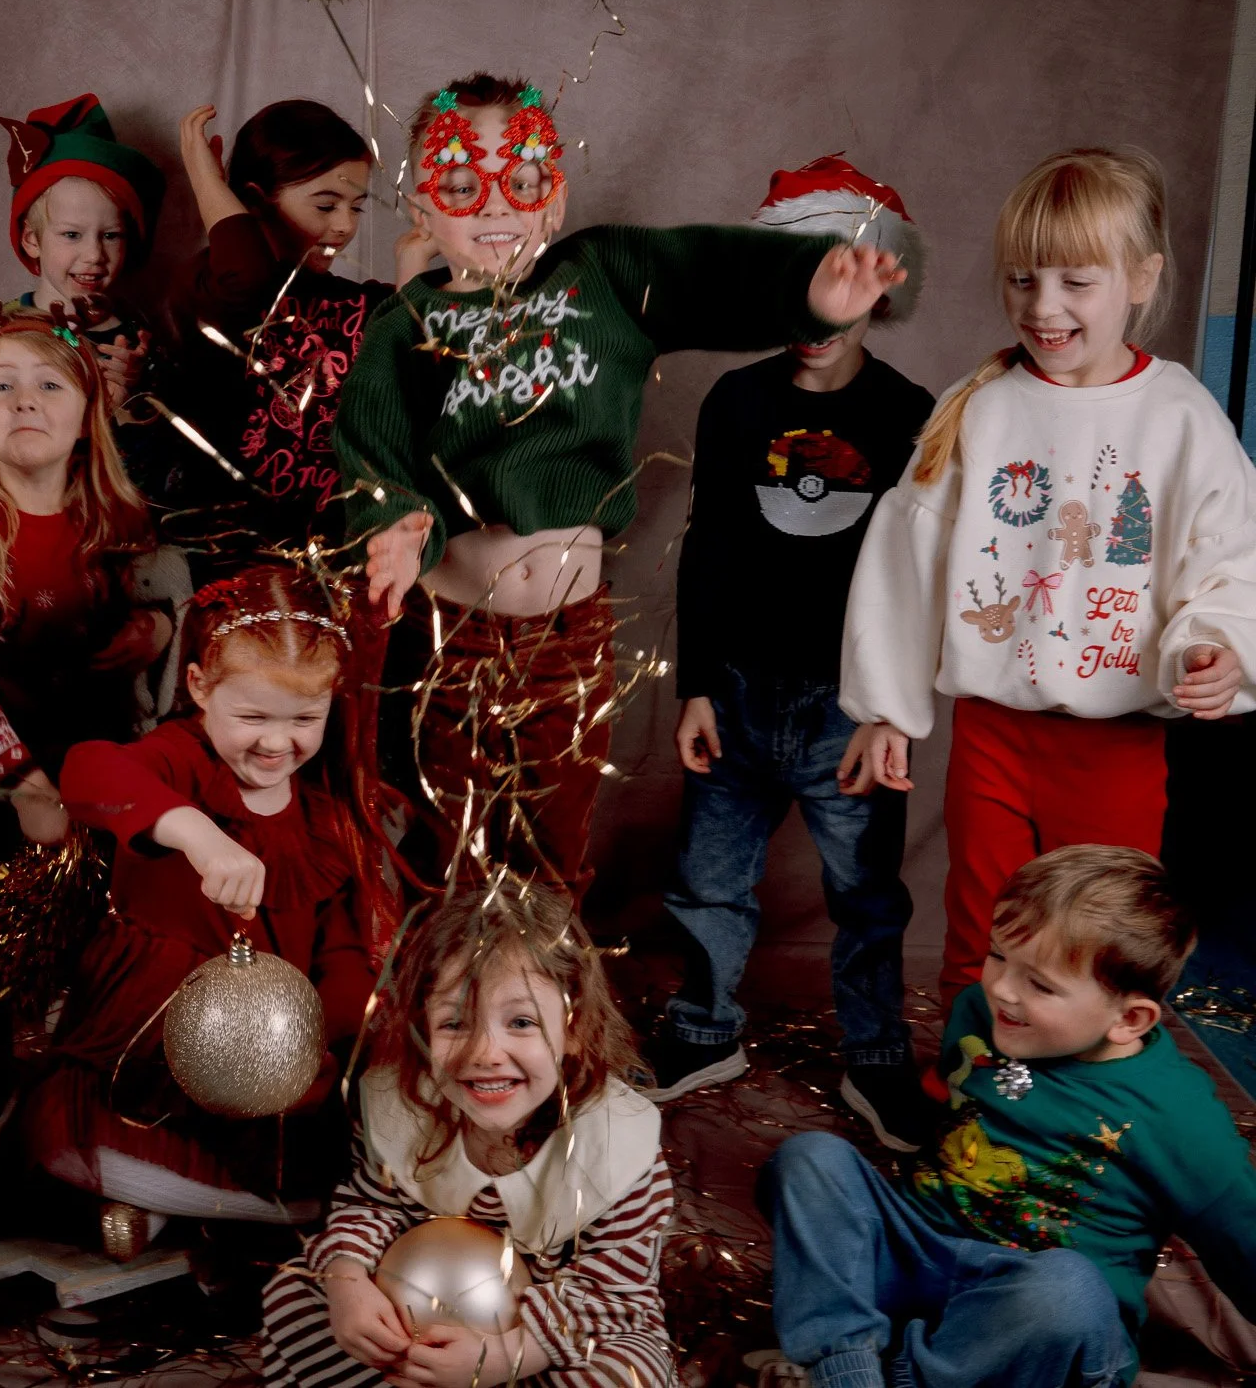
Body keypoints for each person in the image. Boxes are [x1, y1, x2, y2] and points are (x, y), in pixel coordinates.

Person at [336, 72, 904, 898]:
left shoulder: (598, 274)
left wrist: (810, 290)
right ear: (423, 210)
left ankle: (541, 1013)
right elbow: (370, 448)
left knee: (549, 847)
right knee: (446, 849)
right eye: (461, 186)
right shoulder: (406, 325)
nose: (494, 205)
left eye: (520, 182)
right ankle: (446, 1016)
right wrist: (392, 522)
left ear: (553, 200)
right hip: (449, 635)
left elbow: (703, 271)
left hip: (565, 640)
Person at [838, 147, 1256, 1001]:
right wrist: (888, 705)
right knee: (983, 926)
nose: (1045, 306)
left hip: (1116, 745)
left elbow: (1228, 555)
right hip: (993, 733)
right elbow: (907, 557)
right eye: (1023, 279)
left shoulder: (1180, 416)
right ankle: (970, 1101)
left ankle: (1075, 1117)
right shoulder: (983, 404)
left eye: (1076, 281)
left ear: (1140, 278)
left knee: (1097, 940)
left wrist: (1220, 646)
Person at [648, 158, 935, 1148]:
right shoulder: (733, 400)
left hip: (845, 705)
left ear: (879, 283)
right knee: (706, 874)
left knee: (863, 891)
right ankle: (701, 1025)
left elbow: (922, 571)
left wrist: (893, 705)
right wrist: (691, 687)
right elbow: (707, 545)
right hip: (734, 690)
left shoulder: (910, 412)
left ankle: (876, 1058)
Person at [759, 845, 1256, 1388]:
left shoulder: (1180, 1118)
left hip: (1039, 1319)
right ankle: (847, 1369)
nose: (1000, 988)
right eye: (998, 955)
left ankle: (903, 1376)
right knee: (811, 1160)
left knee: (1064, 1289)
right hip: (926, 1252)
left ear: (1129, 1019)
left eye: (1040, 984)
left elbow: (1244, 1245)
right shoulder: (983, 1013)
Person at [11, 568, 388, 1246]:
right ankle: (160, 1196)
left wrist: (325, 1022)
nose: (278, 743)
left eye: (305, 718)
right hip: (158, 1023)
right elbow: (91, 773)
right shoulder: (181, 759)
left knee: (312, 1145)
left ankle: (203, 1211)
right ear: (198, 689)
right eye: (252, 717)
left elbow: (339, 952)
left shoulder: (325, 822)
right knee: (91, 1124)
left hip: (268, 1047)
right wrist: (196, 834)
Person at [262, 881, 677, 1388]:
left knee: (625, 1374)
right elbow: (372, 1204)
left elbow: (612, 1293)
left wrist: (510, 1355)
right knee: (292, 1297)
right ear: (422, 1029)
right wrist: (348, 1281)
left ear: (573, 1028)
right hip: (418, 1306)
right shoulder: (406, 1107)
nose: (485, 1052)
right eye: (455, 1023)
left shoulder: (616, 1143)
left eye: (521, 1022)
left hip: (558, 1331)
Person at [0, 303, 171, 1126]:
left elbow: (168, 602)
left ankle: (85, 1048)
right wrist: (23, 780)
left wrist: (157, 628)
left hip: (105, 749)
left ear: (86, 415)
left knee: (105, 912)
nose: (25, 401)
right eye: (1, 387)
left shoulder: (118, 516)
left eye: (47, 384)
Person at [169, 99, 433, 569]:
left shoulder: (358, 303)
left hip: (339, 564)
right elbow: (247, 276)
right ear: (253, 201)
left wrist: (415, 260)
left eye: (356, 207)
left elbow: (422, 365)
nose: (345, 225)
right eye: (326, 205)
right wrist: (205, 177)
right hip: (235, 563)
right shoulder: (213, 290)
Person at [0, 94, 185, 505]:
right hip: (16, 542)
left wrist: (132, 406)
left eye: (111, 236)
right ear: (32, 239)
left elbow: (166, 485)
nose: (93, 255)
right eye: (72, 235)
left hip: (114, 544)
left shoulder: (140, 345)